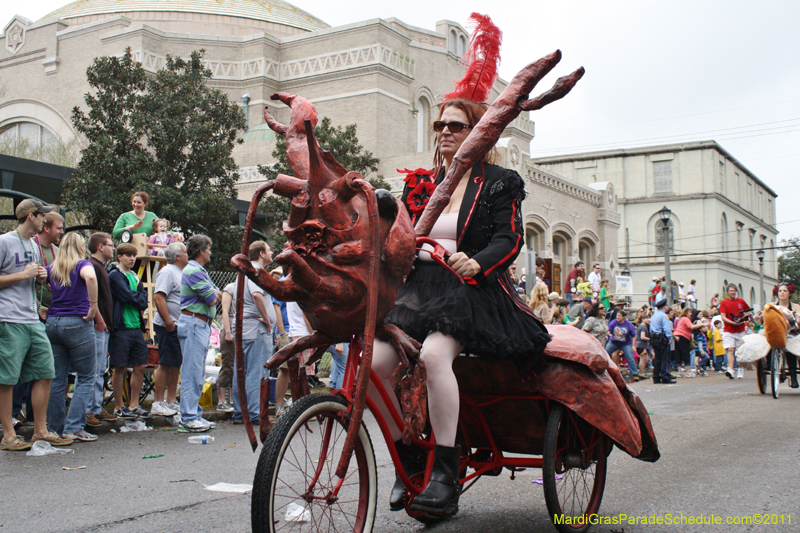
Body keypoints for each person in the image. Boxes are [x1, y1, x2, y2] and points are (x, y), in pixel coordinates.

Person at [371, 95, 550, 518]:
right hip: (420, 290)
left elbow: (509, 239)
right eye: (440, 126)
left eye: (456, 125)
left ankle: (445, 472)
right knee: (374, 363)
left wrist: (477, 261)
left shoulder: (498, 181)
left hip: (472, 289)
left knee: (434, 356)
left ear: (478, 134)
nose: (446, 132)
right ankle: (409, 455)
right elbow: (398, 237)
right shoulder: (419, 184)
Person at [0, 199, 73, 451]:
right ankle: (8, 436)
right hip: (9, 318)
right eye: (42, 216)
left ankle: (40, 431)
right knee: (7, 378)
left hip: (34, 317)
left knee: (45, 371)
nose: (45, 220)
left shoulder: (33, 244)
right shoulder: (4, 241)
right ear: (30, 217)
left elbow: (34, 277)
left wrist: (41, 276)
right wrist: (23, 275)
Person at [44, 232, 99, 442]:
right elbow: (91, 277)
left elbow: (41, 284)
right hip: (78, 321)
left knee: (57, 378)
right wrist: (93, 306)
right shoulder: (82, 265)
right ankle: (74, 427)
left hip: (53, 322)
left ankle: (54, 429)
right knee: (86, 376)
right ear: (79, 246)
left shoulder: (53, 268)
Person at [177, 234, 221, 431]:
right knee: (192, 371)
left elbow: (215, 293)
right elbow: (212, 297)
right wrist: (214, 293)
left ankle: (194, 414)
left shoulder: (198, 270)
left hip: (199, 324)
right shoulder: (194, 271)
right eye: (209, 249)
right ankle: (187, 417)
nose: (210, 252)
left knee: (197, 371)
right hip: (195, 323)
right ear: (202, 250)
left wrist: (214, 292)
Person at [232, 241, 275, 425]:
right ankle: (254, 412)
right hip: (256, 330)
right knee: (256, 370)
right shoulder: (255, 271)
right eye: (269, 249)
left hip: (246, 327)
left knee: (242, 369)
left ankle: (240, 412)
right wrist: (266, 318)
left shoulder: (245, 271)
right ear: (261, 253)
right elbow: (257, 295)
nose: (272, 252)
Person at [108, 243, 151, 420]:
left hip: (136, 327)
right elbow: (126, 295)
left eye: (134, 256)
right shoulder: (114, 276)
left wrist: (137, 298)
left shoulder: (134, 275)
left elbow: (143, 300)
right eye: (128, 255)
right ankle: (119, 406)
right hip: (121, 328)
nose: (132, 259)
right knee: (120, 367)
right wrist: (137, 298)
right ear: (120, 257)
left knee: (140, 366)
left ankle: (134, 404)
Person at [84, 233, 118, 429]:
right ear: (99, 246)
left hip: (105, 325)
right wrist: (98, 319)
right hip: (98, 324)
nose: (113, 249)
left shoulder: (101, 268)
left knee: (100, 369)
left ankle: (96, 406)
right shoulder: (92, 267)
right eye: (110, 245)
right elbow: (90, 297)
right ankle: (89, 409)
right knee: (94, 369)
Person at [150, 242, 187, 417]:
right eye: (185, 252)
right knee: (165, 362)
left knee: (175, 363)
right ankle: (158, 401)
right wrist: (168, 322)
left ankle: (171, 401)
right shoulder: (167, 271)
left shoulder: (182, 272)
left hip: (179, 324)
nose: (188, 255)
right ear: (177, 256)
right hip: (168, 325)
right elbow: (158, 297)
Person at [719, 284, 750, 380]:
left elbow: (748, 312)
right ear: (727, 292)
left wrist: (743, 318)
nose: (733, 292)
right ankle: (731, 369)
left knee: (739, 350)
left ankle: (740, 368)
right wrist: (732, 322)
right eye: (731, 291)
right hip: (728, 329)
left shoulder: (741, 301)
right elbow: (723, 317)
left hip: (740, 330)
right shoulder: (724, 302)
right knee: (730, 349)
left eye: (734, 290)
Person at [774, 282, 800, 388]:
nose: (782, 293)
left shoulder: (795, 306)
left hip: (792, 332)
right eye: (780, 291)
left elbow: (798, 319)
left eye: (785, 291)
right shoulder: (772, 306)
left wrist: (797, 321)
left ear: (789, 293)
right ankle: (771, 365)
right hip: (776, 333)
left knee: (791, 349)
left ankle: (793, 377)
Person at [606, 309, 640, 382]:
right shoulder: (613, 322)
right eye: (617, 316)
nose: (618, 317)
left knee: (630, 357)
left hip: (626, 343)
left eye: (619, 316)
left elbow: (634, 335)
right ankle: (604, 369)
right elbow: (609, 331)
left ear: (624, 317)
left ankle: (635, 374)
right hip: (614, 342)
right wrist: (608, 334)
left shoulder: (628, 325)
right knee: (605, 353)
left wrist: (633, 345)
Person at [219, 281, 237, 413]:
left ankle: (233, 400)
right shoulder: (230, 288)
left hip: (241, 332)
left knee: (237, 367)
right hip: (230, 331)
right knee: (228, 365)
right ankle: (221, 400)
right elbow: (224, 311)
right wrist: (228, 331)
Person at [649, 299, 676, 384]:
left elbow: (650, 329)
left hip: (654, 338)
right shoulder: (664, 316)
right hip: (662, 338)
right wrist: (669, 338)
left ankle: (656, 377)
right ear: (665, 307)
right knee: (665, 358)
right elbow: (666, 328)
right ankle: (665, 376)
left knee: (657, 359)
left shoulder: (654, 316)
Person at [673, 308, 704, 376]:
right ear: (686, 312)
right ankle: (688, 372)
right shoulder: (685, 318)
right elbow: (691, 326)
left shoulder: (681, 319)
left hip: (677, 337)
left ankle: (680, 372)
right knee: (686, 354)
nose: (691, 314)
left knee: (678, 354)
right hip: (683, 337)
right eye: (690, 312)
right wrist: (702, 324)